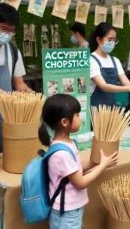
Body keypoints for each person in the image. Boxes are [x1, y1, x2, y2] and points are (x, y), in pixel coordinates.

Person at [38, 94, 118, 228]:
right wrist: (103, 165)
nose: (80, 118)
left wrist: (93, 162)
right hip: (65, 212)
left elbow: (75, 168)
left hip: (71, 208)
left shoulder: (67, 143)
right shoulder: (61, 154)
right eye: (77, 115)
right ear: (64, 122)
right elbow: (80, 182)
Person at [0, 3, 31, 153]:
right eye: (3, 29)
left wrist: (27, 92)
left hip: (6, 120)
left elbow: (18, 83)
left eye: (10, 31)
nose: (6, 34)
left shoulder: (13, 51)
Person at [89, 22, 130, 107]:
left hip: (112, 108)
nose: (112, 43)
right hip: (95, 108)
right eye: (110, 39)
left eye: (114, 40)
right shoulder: (91, 60)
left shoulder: (115, 61)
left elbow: (126, 82)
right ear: (98, 39)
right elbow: (103, 86)